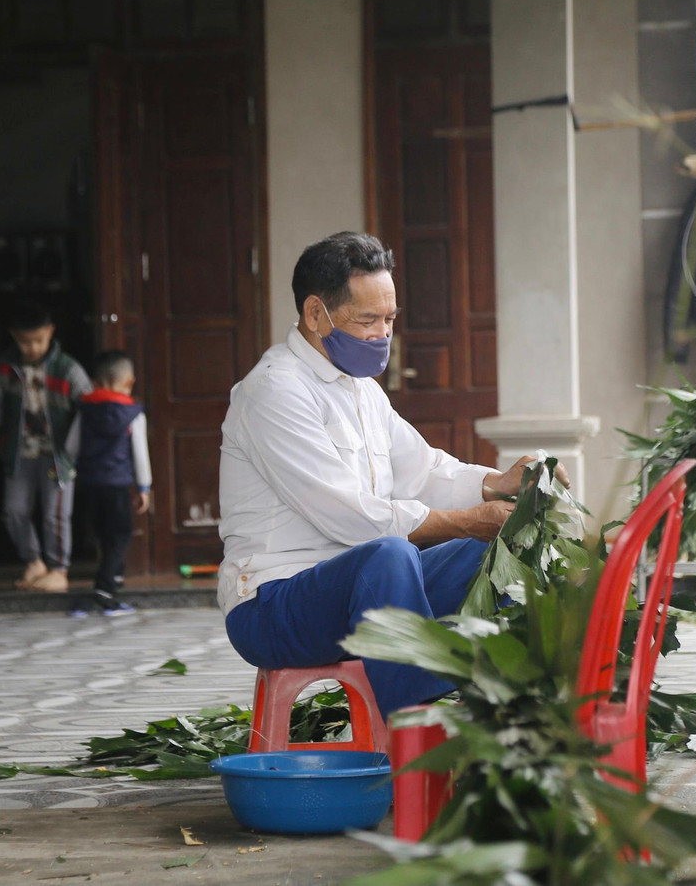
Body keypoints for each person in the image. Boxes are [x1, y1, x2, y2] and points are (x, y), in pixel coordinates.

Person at [218, 231, 565, 718]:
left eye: (389, 320)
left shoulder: (361, 390)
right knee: (388, 553)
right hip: (274, 604)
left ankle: (517, 689)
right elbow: (351, 520)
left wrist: (500, 484)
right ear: (316, 315)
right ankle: (418, 724)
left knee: (494, 551)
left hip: (364, 587)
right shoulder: (274, 392)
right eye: (368, 320)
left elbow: (422, 471)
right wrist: (469, 518)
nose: (383, 334)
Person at [0, 301, 92, 593]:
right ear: (15, 337)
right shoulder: (6, 370)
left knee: (55, 514)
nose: (33, 348)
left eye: (39, 340)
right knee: (13, 510)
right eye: (26, 342)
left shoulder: (68, 369)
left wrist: (83, 447)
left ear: (51, 332)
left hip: (58, 459)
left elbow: (89, 408)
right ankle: (34, 562)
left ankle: (58, 569)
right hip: (19, 455)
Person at [71, 351, 153, 617]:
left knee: (104, 534)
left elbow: (70, 447)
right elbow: (140, 454)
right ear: (130, 381)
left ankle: (115, 580)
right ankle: (104, 591)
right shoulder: (132, 414)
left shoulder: (85, 410)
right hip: (117, 484)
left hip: (90, 483)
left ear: (95, 382)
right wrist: (144, 487)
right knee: (121, 535)